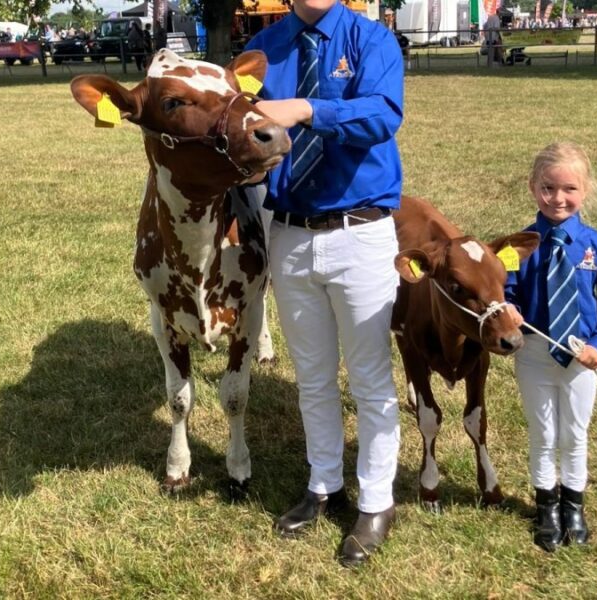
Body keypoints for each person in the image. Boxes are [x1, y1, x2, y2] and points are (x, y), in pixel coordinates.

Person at [242, 0, 404, 568]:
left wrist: (307, 108)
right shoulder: (262, 50)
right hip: (288, 231)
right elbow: (239, 130)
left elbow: (383, 115)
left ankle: (377, 499)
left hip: (359, 230)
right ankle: (323, 484)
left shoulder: (371, 40)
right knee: (311, 376)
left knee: (369, 377)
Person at [505, 142, 597, 552]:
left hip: (582, 358)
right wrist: (507, 308)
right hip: (534, 353)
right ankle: (546, 504)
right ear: (532, 187)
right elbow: (504, 293)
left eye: (569, 189)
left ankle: (573, 503)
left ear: (585, 190)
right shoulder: (515, 248)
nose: (558, 198)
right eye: (547, 188)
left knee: (574, 432)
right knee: (543, 431)